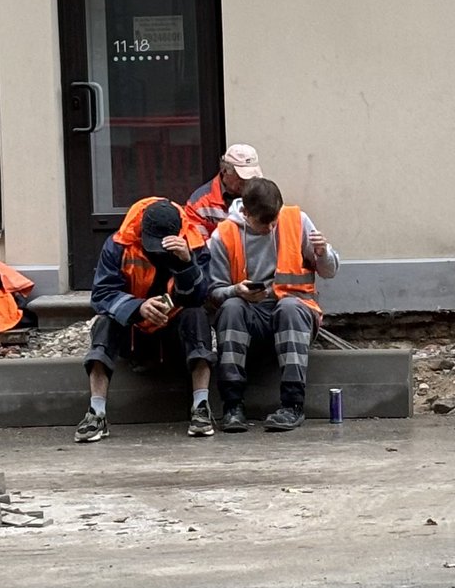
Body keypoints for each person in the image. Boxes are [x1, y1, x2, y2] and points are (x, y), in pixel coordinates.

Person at [75, 197, 217, 442]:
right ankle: (96, 413)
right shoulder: (118, 244)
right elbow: (101, 296)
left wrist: (187, 265)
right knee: (104, 323)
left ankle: (201, 407)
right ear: (141, 229)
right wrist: (138, 307)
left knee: (197, 315)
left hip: (175, 334)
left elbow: (200, 296)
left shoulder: (193, 245)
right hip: (134, 332)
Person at [207, 178, 339, 432]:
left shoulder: (297, 220)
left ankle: (292, 405)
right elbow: (213, 293)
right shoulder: (224, 235)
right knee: (232, 308)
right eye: (262, 221)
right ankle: (233, 406)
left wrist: (323, 253)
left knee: (289, 307)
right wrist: (237, 291)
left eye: (274, 219)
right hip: (250, 318)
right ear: (245, 213)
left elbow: (329, 272)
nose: (270, 227)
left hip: (294, 315)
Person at [185, 144, 264, 241]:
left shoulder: (262, 194)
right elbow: (198, 247)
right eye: (242, 177)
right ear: (224, 170)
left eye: (252, 177)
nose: (247, 182)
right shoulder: (199, 204)